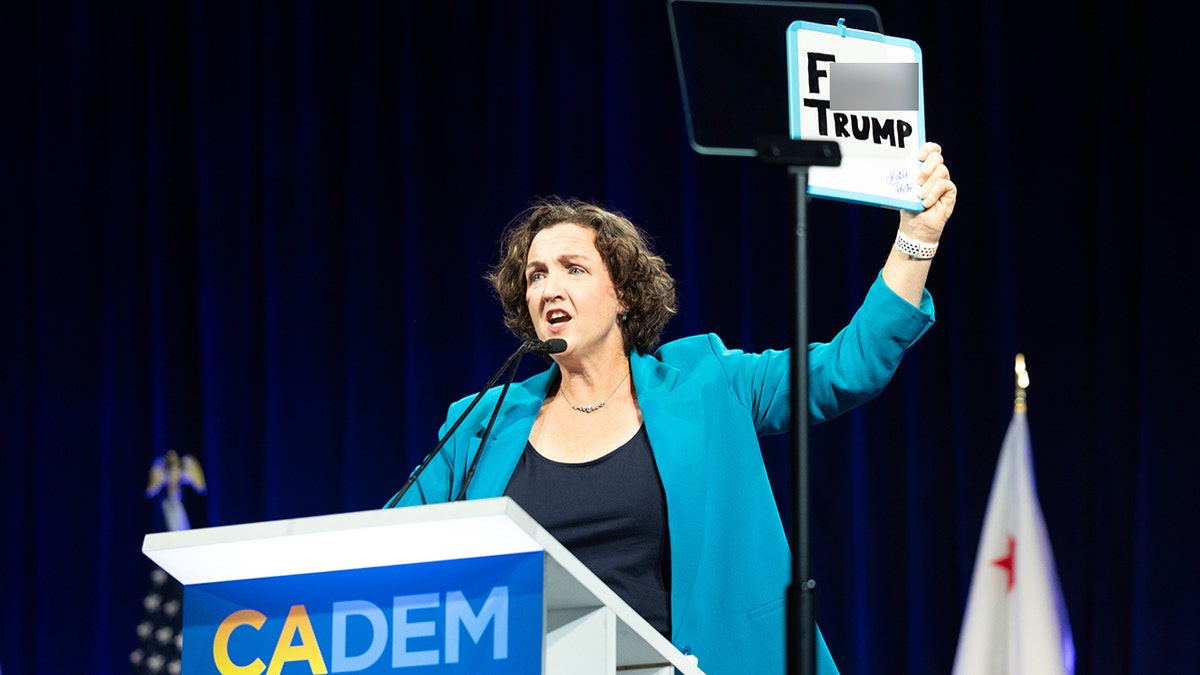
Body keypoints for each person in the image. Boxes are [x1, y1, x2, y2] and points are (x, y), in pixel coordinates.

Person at [391, 142, 957, 674]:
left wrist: (917, 237)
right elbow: (383, 544)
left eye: (574, 269)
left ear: (626, 296)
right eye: (536, 275)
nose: (547, 288)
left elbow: (846, 368)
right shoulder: (483, 422)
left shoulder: (709, 381)